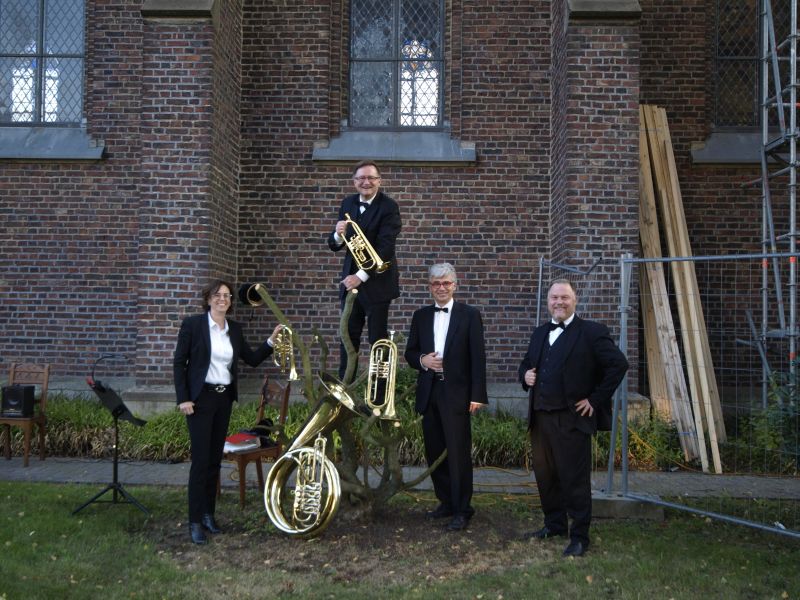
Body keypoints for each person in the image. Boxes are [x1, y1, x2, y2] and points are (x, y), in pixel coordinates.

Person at [518, 278, 628, 557]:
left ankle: (580, 536)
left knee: (574, 480)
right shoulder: (540, 333)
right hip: (540, 419)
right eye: (554, 298)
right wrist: (525, 375)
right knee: (546, 477)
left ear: (574, 300)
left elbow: (618, 364)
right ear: (548, 302)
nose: (559, 302)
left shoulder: (591, 332)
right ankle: (554, 524)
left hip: (571, 420)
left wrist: (595, 399)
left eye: (564, 298)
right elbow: (526, 364)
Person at [173, 279, 282, 545]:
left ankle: (209, 514)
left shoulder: (234, 329)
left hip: (223, 401)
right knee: (200, 463)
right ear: (208, 298)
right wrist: (184, 399)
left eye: (227, 296)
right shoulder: (193, 326)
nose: (223, 299)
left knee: (213, 461)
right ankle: (195, 521)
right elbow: (179, 364)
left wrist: (271, 341)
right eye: (218, 295)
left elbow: (252, 359)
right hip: (200, 401)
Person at [405, 263, 487, 532]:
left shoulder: (470, 315)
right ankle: (446, 502)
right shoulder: (420, 316)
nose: (441, 288)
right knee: (435, 450)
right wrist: (422, 360)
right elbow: (410, 353)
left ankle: (463, 509)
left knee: (458, 453)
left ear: (455, 285)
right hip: (430, 392)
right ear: (430, 287)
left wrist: (477, 395)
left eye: (446, 283)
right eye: (436, 284)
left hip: (457, 395)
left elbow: (478, 358)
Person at [328, 160, 401, 380]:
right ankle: (344, 392)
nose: (366, 182)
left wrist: (360, 277)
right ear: (354, 182)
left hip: (376, 283)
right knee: (347, 339)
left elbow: (386, 247)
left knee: (377, 341)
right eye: (361, 178)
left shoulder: (389, 206)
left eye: (371, 178)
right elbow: (335, 246)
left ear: (379, 181)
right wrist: (337, 234)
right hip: (351, 283)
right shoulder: (347, 203)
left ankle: (377, 397)